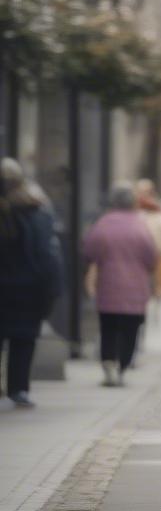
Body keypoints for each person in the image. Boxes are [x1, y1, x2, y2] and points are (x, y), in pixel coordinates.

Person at [0, 158, 63, 407]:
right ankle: (18, 388)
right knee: (23, 340)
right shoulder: (35, 211)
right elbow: (47, 255)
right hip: (27, 288)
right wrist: (52, 288)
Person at [82, 182, 158, 387]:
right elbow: (152, 257)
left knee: (108, 328)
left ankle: (108, 364)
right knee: (131, 329)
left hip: (108, 287)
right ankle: (123, 366)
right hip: (135, 289)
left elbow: (89, 251)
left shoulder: (103, 224)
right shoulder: (140, 225)